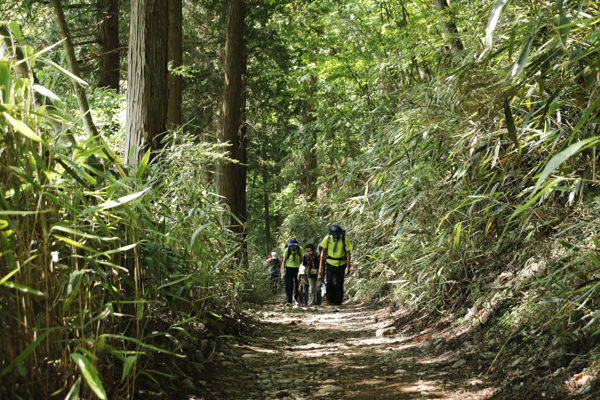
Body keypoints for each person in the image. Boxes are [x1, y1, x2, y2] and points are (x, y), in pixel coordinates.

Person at [318, 225, 352, 306]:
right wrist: (321, 266)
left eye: (337, 235)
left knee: (339, 283)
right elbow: (323, 252)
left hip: (341, 263)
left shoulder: (344, 239)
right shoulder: (327, 239)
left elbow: (348, 253)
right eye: (334, 235)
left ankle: (338, 301)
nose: (336, 236)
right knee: (329, 282)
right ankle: (330, 300)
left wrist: (348, 265)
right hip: (330, 262)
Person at [282, 237, 305, 305]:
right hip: (289, 268)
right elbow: (284, 260)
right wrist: (283, 270)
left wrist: (302, 266)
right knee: (290, 285)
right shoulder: (287, 250)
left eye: (294, 245)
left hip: (298, 269)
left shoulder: (299, 249)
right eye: (292, 245)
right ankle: (289, 300)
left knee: (298, 285)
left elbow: (302, 258)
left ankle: (297, 299)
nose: (293, 246)